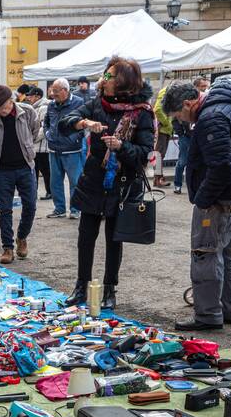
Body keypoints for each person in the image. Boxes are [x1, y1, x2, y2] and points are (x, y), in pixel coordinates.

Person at [58, 56, 156, 312]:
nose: (104, 79)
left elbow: (145, 152)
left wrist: (122, 146)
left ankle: (110, 289)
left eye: (111, 76)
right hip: (93, 179)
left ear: (124, 83)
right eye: (106, 74)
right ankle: (81, 286)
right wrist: (84, 123)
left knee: (114, 238)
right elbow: (64, 124)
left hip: (122, 184)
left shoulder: (142, 112)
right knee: (85, 236)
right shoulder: (96, 104)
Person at [163, 80, 231, 332]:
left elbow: (222, 166)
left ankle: (209, 314)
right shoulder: (227, 106)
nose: (180, 121)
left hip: (220, 200)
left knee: (206, 253)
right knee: (229, 250)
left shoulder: (211, 117)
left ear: (188, 103)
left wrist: (203, 198)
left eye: (179, 115)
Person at [0, 85, 39, 264]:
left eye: (4, 106)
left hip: (25, 167)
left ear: (11, 101)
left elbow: (36, 131)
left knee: (30, 205)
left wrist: (28, 149)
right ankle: (7, 248)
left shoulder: (27, 111)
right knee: (5, 209)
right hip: (3, 170)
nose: (2, 111)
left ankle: (22, 237)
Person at [44, 77, 84, 219]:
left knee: (75, 181)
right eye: (52, 90)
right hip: (54, 149)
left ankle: (75, 209)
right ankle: (59, 209)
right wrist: (48, 134)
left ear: (65, 90)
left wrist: (73, 138)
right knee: (55, 182)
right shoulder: (51, 105)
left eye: (56, 91)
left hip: (72, 149)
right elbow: (46, 122)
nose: (53, 94)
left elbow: (83, 124)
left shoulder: (78, 102)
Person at [172, 76, 208, 194]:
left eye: (206, 86)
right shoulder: (185, 100)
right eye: (202, 86)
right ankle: (177, 184)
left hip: (198, 137)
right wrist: (181, 134)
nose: (205, 89)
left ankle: (195, 186)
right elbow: (175, 119)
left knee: (198, 162)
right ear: (196, 87)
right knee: (182, 161)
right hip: (186, 137)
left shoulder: (205, 102)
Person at [23, 86, 52, 199]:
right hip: (35, 146)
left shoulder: (43, 107)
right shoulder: (34, 107)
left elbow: (44, 127)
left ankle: (49, 192)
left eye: (31, 96)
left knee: (45, 171)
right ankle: (32, 193)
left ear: (37, 96)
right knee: (34, 171)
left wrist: (33, 138)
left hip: (42, 147)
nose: (29, 98)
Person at [152, 86, 175, 188]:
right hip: (162, 130)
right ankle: (158, 179)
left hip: (165, 130)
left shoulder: (169, 91)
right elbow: (157, 109)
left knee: (159, 155)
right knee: (158, 156)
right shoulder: (166, 91)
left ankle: (158, 178)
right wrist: (167, 123)